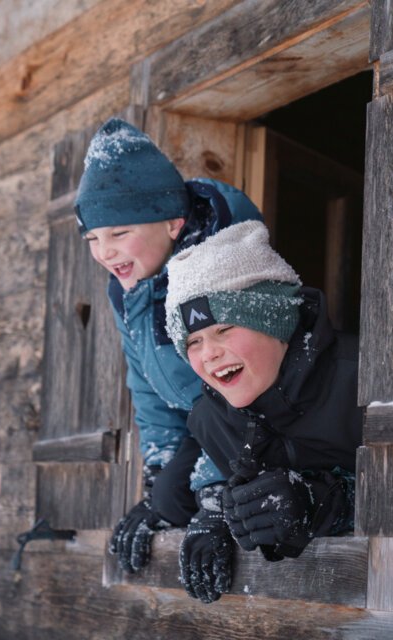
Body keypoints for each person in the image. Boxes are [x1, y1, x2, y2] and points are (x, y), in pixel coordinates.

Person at [75, 117, 263, 574]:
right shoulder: (126, 289)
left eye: (120, 233)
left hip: (260, 424)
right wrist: (159, 478)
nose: (104, 252)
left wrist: (218, 494)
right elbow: (144, 384)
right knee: (168, 499)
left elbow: (253, 388)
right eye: (93, 238)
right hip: (204, 424)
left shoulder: (224, 266)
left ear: (174, 223)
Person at [164, 220, 362, 603]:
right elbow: (232, 483)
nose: (209, 354)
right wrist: (219, 511)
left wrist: (329, 505)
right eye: (193, 341)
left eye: (225, 329)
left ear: (274, 320)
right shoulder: (211, 419)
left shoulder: (364, 380)